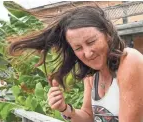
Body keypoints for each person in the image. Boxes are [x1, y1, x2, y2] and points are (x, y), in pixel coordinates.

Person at [8, 5, 143, 122]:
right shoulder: (92, 75)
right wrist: (64, 109)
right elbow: (88, 117)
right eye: (78, 48)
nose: (88, 53)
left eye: (91, 42)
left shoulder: (130, 61)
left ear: (108, 34)